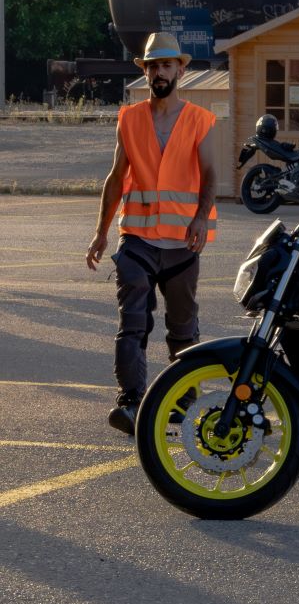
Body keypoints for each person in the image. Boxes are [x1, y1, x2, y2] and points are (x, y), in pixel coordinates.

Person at [86, 32, 217, 435]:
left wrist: (200, 219)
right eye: (152, 66)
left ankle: (186, 404)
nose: (159, 72)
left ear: (180, 70)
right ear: (145, 72)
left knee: (183, 331)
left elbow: (210, 174)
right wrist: (101, 232)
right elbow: (115, 178)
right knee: (133, 324)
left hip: (181, 245)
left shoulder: (199, 120)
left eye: (166, 65)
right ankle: (131, 404)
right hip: (138, 240)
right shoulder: (129, 119)